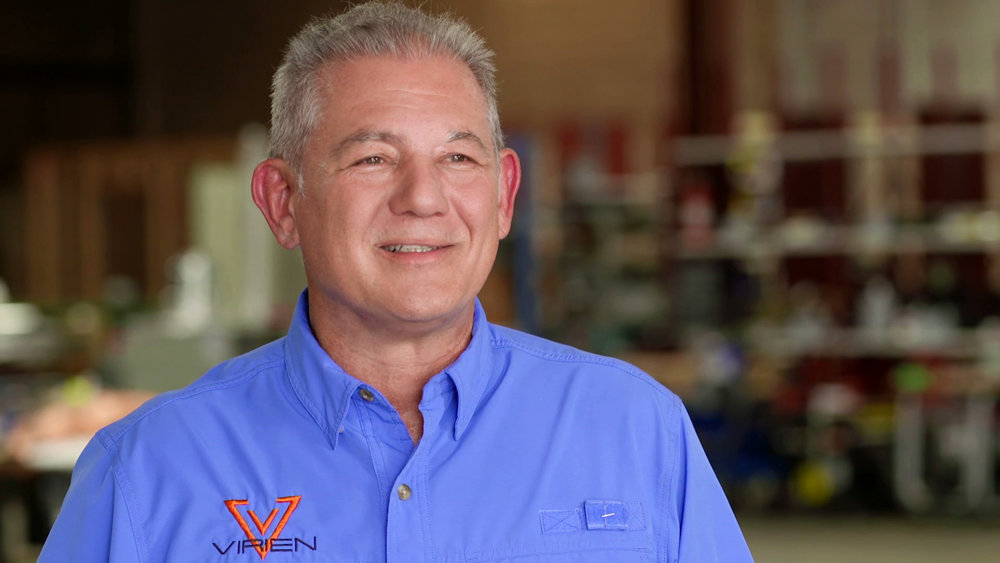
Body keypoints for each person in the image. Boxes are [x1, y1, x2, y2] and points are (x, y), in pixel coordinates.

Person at [39, 2, 752, 561]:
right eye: (373, 159)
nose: (423, 197)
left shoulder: (637, 432)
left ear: (505, 196)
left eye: (458, 159)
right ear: (282, 202)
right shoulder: (146, 471)